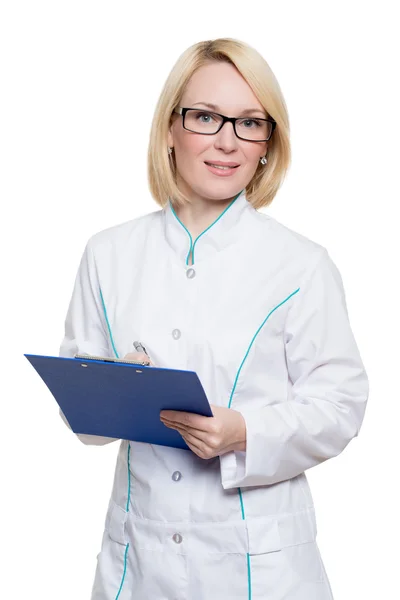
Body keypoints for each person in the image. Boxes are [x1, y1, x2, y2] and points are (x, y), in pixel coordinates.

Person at [59, 37, 369, 600]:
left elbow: (340, 405)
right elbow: (84, 422)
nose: (228, 141)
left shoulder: (301, 265)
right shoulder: (108, 255)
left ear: (268, 145)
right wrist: (115, 383)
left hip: (262, 565)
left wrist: (245, 433)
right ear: (170, 130)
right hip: (140, 559)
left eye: (250, 123)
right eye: (205, 117)